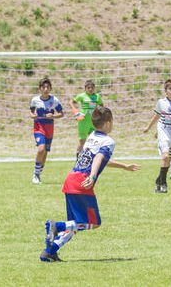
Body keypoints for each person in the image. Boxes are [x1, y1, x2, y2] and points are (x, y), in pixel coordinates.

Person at [40, 105, 140, 262]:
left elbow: (99, 159)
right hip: (82, 183)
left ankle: (49, 252)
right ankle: (56, 226)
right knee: (93, 223)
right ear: (107, 123)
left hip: (71, 179)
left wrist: (124, 166)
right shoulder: (108, 141)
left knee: (74, 225)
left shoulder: (92, 136)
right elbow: (99, 158)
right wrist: (93, 176)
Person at [29, 77, 64, 185]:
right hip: (39, 128)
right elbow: (31, 112)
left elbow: (61, 113)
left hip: (49, 129)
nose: (45, 89)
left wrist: (53, 115)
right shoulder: (35, 100)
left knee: (44, 153)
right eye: (43, 87)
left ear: (50, 88)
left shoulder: (54, 100)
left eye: (47, 87)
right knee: (41, 149)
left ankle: (39, 173)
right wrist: (32, 115)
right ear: (40, 89)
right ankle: (35, 174)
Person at [70, 80, 104, 156]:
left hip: (93, 121)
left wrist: (99, 114)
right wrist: (75, 111)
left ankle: (92, 158)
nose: (90, 89)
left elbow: (102, 106)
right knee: (82, 141)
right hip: (83, 121)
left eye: (92, 88)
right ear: (85, 88)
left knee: (95, 140)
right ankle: (78, 161)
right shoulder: (81, 96)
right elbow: (71, 101)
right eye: (88, 88)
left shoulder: (97, 96)